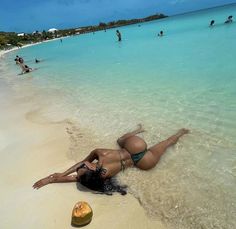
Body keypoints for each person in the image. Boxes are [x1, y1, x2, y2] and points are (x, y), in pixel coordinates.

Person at [33, 125, 189, 195]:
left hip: (142, 163)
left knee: (165, 143)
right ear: (91, 168)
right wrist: (59, 174)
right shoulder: (100, 153)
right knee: (121, 139)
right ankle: (181, 132)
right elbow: (80, 164)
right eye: (84, 167)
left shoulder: (100, 177)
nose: (83, 165)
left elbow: (74, 177)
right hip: (134, 146)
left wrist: (52, 179)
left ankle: (180, 133)